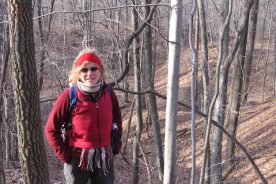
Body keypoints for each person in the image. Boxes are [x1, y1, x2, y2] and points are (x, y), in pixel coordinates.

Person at [45, 48, 122, 184]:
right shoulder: (69, 96)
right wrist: (65, 156)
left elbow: (117, 121)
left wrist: (116, 146)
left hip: (104, 158)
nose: (89, 73)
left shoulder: (108, 93)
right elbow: (51, 129)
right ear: (78, 73)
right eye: (84, 70)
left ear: (100, 71)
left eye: (94, 69)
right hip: (77, 159)